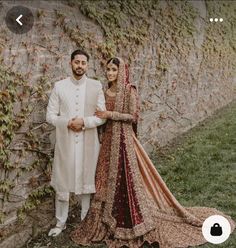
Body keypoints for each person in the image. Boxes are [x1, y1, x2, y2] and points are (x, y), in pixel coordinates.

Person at [70, 57, 235, 248]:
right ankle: (105, 220)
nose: (110, 73)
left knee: (125, 179)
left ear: (121, 71)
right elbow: (98, 116)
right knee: (103, 178)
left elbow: (133, 116)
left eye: (114, 70)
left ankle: (128, 218)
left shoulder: (129, 90)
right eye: (108, 69)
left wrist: (110, 115)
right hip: (107, 141)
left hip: (123, 140)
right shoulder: (104, 91)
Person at [46, 49, 106, 237]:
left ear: (87, 65)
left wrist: (85, 122)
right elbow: (49, 116)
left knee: (86, 181)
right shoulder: (59, 86)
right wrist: (67, 123)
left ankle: (85, 221)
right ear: (70, 63)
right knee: (63, 181)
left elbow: (102, 116)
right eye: (76, 62)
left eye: (83, 63)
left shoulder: (96, 86)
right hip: (66, 142)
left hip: (88, 142)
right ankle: (60, 222)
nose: (80, 66)